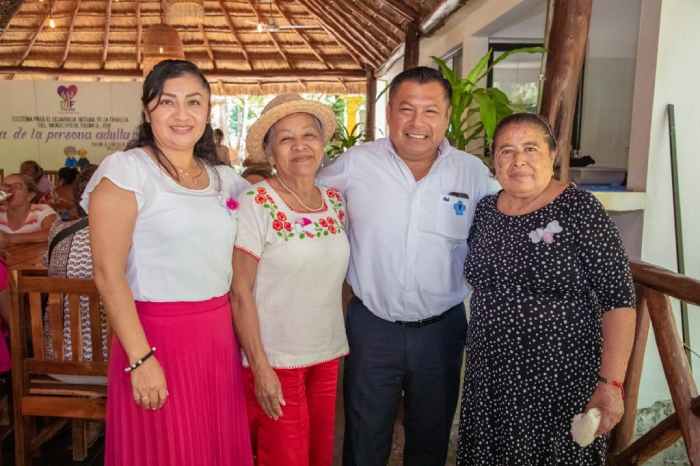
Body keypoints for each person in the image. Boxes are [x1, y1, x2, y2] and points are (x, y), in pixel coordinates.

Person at [318, 66, 497, 466]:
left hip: (441, 330)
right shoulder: (356, 163)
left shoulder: (472, 173)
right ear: (388, 115)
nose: (417, 123)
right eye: (406, 109)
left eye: (430, 111)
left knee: (430, 441)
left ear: (448, 117)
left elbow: (515, 212)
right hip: (371, 328)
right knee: (364, 439)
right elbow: (302, 195)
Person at [82, 59, 253, 466]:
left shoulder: (224, 179)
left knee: (212, 448)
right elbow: (108, 275)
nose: (182, 114)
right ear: (147, 111)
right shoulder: (126, 171)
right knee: (166, 450)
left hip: (216, 338)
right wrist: (141, 359)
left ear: (208, 110)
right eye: (168, 102)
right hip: (155, 338)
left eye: (194, 102)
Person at [456, 113, 636, 465]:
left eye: (530, 148)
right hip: (490, 374)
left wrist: (611, 383)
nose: (518, 160)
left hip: (559, 378)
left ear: (553, 154)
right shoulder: (486, 212)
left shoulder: (580, 210)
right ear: (494, 159)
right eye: (506, 150)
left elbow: (619, 299)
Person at [232, 94, 349, 466]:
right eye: (285, 139)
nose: (300, 146)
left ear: (322, 144)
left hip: (327, 353)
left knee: (318, 454)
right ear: (269, 152)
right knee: (283, 456)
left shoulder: (335, 202)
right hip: (277, 359)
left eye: (308, 136)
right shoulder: (255, 203)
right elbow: (240, 292)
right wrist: (261, 367)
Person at [45, 165, 106, 361]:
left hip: (55, 359)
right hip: (109, 365)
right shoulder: (122, 236)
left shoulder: (57, 228)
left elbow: (48, 264)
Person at [0, 174, 57, 245]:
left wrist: (10, 238)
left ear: (30, 195)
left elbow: (54, 232)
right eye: (5, 186)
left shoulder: (41, 210)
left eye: (17, 186)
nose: (9, 189)